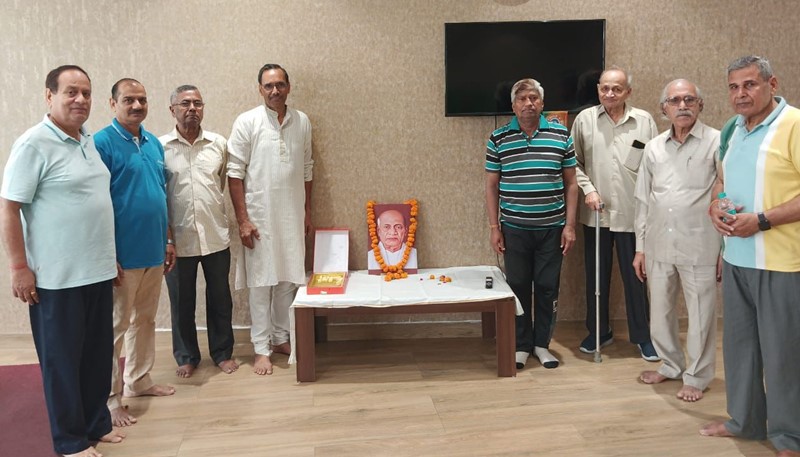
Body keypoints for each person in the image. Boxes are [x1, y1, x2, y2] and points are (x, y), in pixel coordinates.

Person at [0, 65, 125, 457]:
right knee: (62, 363)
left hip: (97, 272)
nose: (81, 100)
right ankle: (70, 441)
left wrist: (110, 258)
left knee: (96, 356)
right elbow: (9, 209)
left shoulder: (87, 140)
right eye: (71, 92)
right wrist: (19, 267)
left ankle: (96, 423)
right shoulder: (33, 143)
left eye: (86, 93)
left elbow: (93, 205)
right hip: (56, 279)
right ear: (49, 95)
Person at [700, 55, 800, 457]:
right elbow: (722, 179)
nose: (741, 94)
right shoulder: (733, 128)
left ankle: (789, 436)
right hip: (737, 258)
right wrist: (715, 205)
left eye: (750, 85)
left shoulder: (794, 125)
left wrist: (760, 221)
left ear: (772, 84)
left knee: (783, 353)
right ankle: (744, 421)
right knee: (740, 348)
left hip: (782, 262)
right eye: (734, 87)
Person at [94, 78, 176, 427]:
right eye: (129, 100)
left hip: (153, 250)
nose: (137, 105)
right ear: (113, 104)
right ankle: (110, 399)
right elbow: (95, 203)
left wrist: (168, 240)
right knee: (115, 327)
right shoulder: (101, 143)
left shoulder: (154, 143)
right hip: (121, 256)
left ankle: (139, 381)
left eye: (142, 99)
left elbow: (161, 195)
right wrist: (106, 253)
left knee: (145, 320)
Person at [632, 79, 721, 402]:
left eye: (689, 99)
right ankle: (670, 365)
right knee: (660, 313)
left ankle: (697, 377)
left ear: (700, 105)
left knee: (701, 316)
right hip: (658, 244)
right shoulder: (654, 147)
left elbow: (727, 194)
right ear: (664, 108)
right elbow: (643, 200)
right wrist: (640, 248)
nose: (682, 106)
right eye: (675, 100)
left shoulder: (717, 142)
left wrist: (724, 248)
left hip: (701, 244)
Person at [485, 78, 578, 370]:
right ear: (513, 106)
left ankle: (542, 345)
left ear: (542, 103)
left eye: (534, 98)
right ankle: (522, 345)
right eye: (522, 99)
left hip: (553, 228)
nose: (529, 103)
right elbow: (491, 186)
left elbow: (571, 184)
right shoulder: (498, 138)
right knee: (518, 287)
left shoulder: (561, 134)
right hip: (514, 229)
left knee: (548, 287)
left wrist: (570, 226)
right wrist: (494, 228)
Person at [228, 63, 313, 376]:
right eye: (268, 86)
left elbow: (307, 169)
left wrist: (306, 211)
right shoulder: (247, 121)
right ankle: (261, 349)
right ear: (260, 89)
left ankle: (280, 338)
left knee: (288, 280)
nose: (275, 90)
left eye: (280, 84)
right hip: (259, 217)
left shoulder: (302, 121)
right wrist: (243, 220)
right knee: (261, 283)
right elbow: (234, 173)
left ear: (288, 87)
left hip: (291, 214)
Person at [571, 66, 660, 361]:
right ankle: (599, 331)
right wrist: (588, 190)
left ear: (628, 92)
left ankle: (643, 336)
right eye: (605, 88)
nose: (610, 94)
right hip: (596, 215)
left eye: (617, 89)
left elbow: (655, 165)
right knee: (596, 278)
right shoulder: (584, 120)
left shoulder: (644, 121)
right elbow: (573, 163)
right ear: (598, 89)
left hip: (632, 214)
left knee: (636, 277)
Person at [160, 85, 238, 378]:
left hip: (215, 235)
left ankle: (222, 353)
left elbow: (221, 183)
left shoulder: (218, 144)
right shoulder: (160, 147)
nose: (192, 108)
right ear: (172, 110)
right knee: (181, 301)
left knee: (220, 298)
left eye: (197, 103)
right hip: (178, 241)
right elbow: (160, 193)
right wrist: (167, 237)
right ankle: (186, 356)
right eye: (185, 104)